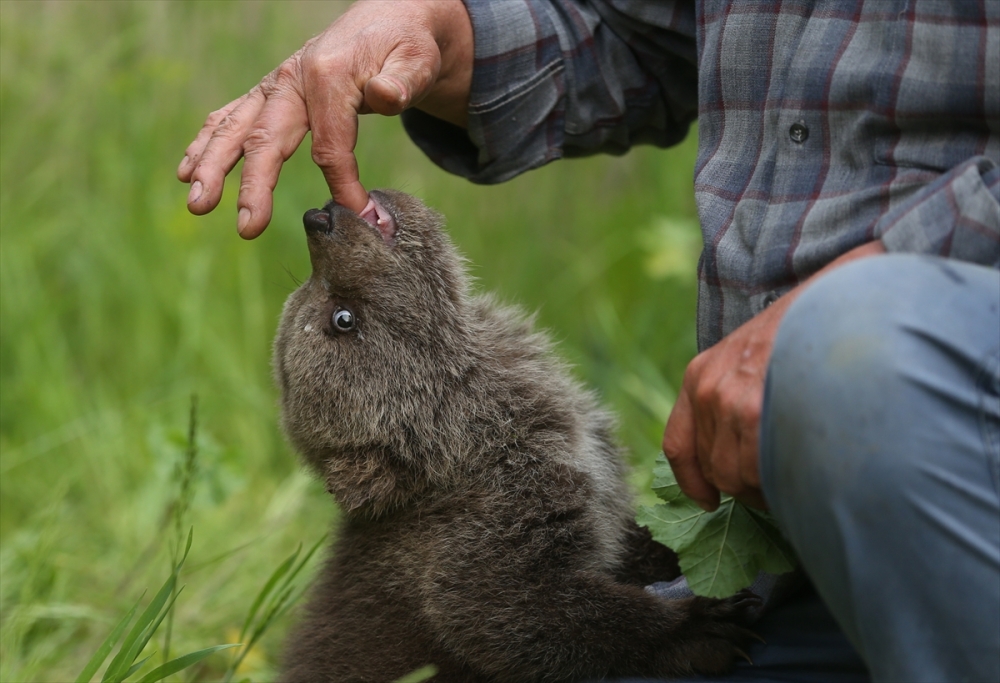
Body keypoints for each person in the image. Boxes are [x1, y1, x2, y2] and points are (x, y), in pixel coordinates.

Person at [178, 1, 1000, 680]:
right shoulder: (458, 475)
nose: (320, 232)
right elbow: (642, 32)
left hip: (949, 433)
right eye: (343, 316)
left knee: (855, 350)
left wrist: (866, 289)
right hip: (787, 558)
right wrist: (445, 30)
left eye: (340, 315)